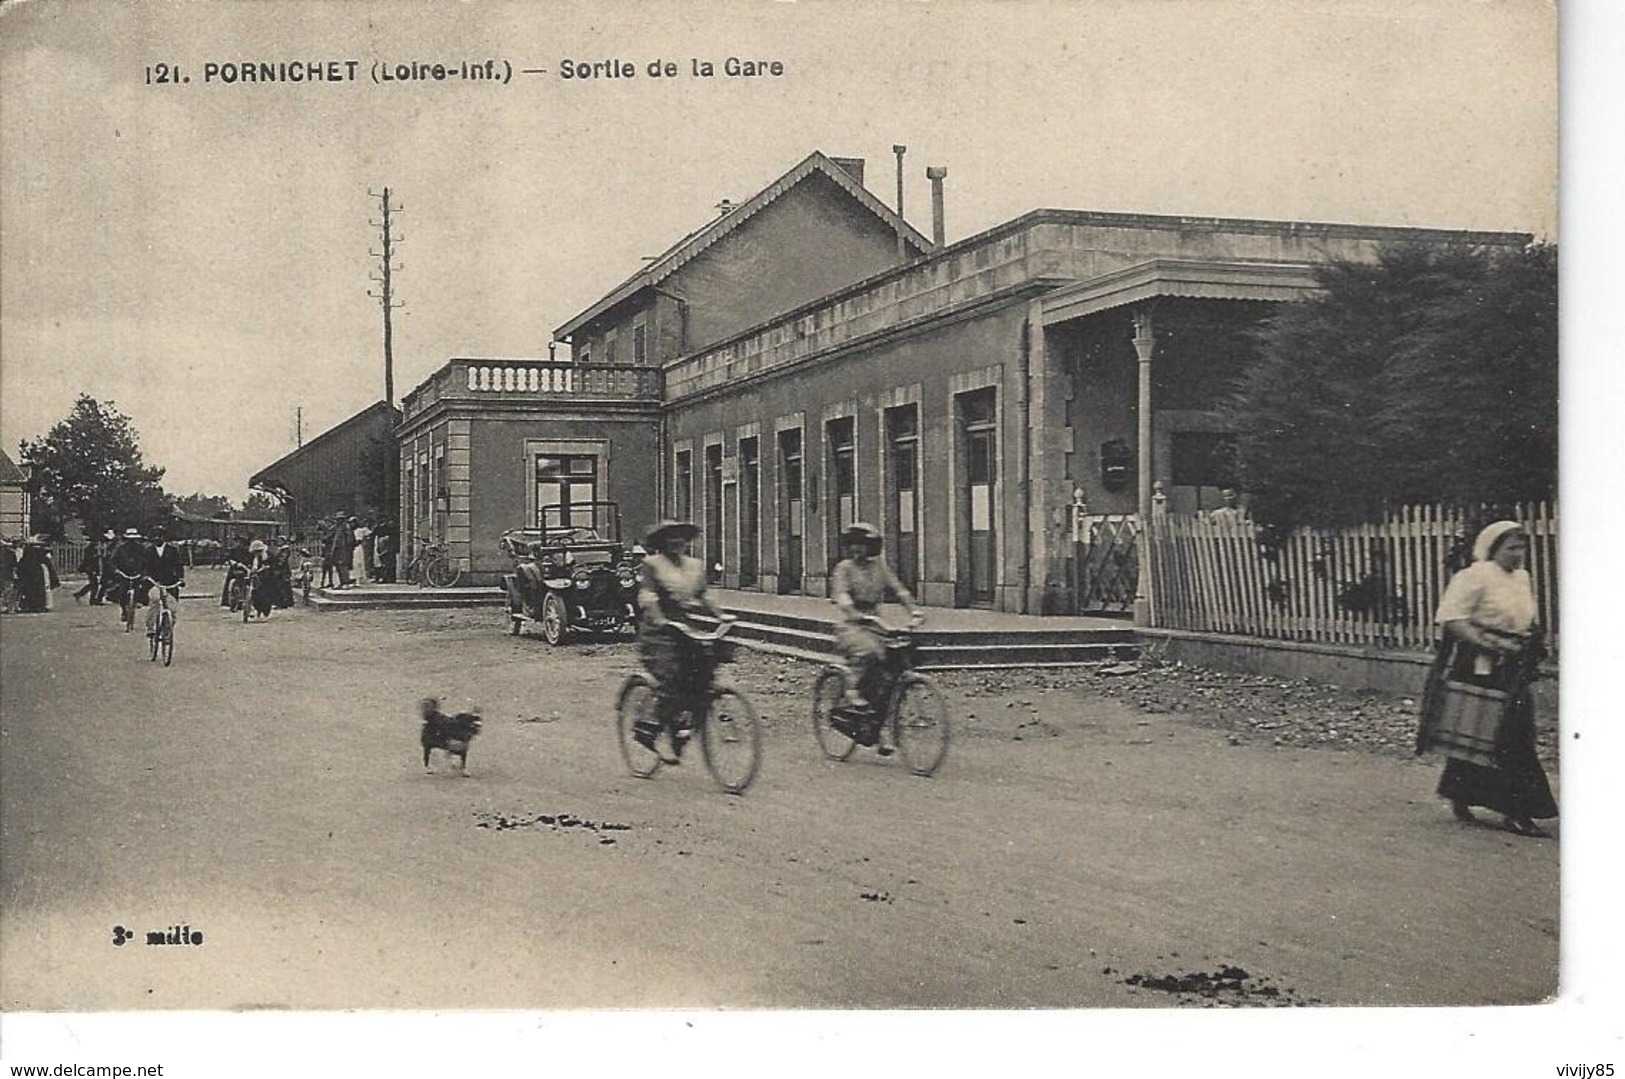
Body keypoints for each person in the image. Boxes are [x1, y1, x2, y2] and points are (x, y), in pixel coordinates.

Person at [1419, 520, 1556, 838]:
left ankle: (1461, 791)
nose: (1518, 554)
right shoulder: (1474, 576)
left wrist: (1527, 644)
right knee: (1492, 730)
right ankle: (1517, 811)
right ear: (1492, 548)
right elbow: (1452, 619)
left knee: (1508, 729)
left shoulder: (1522, 577)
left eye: (1522, 547)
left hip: (1514, 661)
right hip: (1482, 662)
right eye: (1511, 548)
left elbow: (1524, 618)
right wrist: (1489, 643)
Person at [634, 520, 734, 760]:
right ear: (662, 542)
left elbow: (703, 594)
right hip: (658, 631)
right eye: (671, 538)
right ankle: (649, 726)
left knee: (704, 670)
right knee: (671, 674)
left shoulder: (694, 566)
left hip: (684, 626)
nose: (677, 542)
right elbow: (648, 596)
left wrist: (720, 614)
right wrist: (659, 619)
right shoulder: (652, 565)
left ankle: (684, 725)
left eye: (681, 538)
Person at [830, 522, 923, 723]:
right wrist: (853, 612)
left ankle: (882, 718)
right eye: (853, 544)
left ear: (871, 546)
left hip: (875, 622)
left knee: (894, 661)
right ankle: (852, 690)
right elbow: (842, 595)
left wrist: (913, 611)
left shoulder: (879, 566)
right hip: (851, 624)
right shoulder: (844, 568)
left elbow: (898, 589)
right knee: (868, 652)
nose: (857, 549)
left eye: (862, 544)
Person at [143, 525, 186, 638]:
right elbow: (145, 566)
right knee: (155, 600)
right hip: (154, 582)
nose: (158, 538)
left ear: (165, 537)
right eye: (155, 536)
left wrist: (181, 578)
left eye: (160, 536)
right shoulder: (148, 551)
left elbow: (179, 566)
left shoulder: (172, 551)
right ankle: (151, 627)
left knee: (172, 609)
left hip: (170, 583)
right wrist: (146, 576)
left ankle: (168, 630)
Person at [14, 535, 60, 613]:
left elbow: (22, 563)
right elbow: (47, 563)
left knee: (30, 590)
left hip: (29, 573)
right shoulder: (40, 552)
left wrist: (19, 571)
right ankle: (40, 605)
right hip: (38, 573)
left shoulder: (28, 552)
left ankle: (32, 605)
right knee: (39, 590)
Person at [73, 533, 110, 604]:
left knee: (92, 584)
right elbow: (89, 560)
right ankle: (92, 600)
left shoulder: (94, 549)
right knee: (94, 584)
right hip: (91, 568)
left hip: (93, 568)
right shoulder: (90, 549)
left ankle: (80, 594)